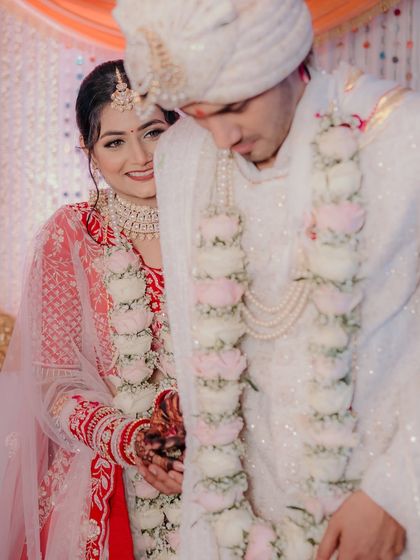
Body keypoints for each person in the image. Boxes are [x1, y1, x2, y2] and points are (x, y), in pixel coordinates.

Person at [115, 1, 420, 559]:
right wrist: (200, 469)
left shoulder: (399, 136)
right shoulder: (184, 155)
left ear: (287, 61)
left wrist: (398, 490)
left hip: (379, 511)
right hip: (235, 521)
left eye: (234, 107)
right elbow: (198, 344)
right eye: (199, 113)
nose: (222, 137)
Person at [0, 59, 185, 560]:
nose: (141, 155)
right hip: (106, 483)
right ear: (89, 151)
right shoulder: (72, 235)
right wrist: (133, 441)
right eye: (115, 141)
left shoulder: (219, 221)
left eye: (153, 131)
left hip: (223, 465)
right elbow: (55, 382)